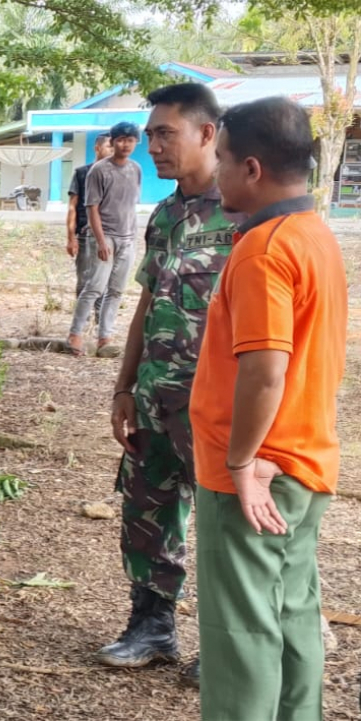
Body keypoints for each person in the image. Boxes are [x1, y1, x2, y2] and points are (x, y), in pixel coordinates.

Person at [191, 96, 345, 720]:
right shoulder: (315, 236)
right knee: (292, 612)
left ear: (252, 168)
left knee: (242, 632)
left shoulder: (264, 250)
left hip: (257, 476)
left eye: (222, 159)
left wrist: (242, 461)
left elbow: (264, 369)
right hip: (304, 464)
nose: (218, 172)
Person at [96, 84, 235, 677]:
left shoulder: (248, 211)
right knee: (147, 515)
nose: (152, 146)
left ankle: (231, 647)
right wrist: (124, 387)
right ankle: (152, 627)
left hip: (218, 407)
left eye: (164, 134)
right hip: (156, 400)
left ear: (207, 134)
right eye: (149, 135)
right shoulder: (167, 212)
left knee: (227, 531)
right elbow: (147, 304)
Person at [68, 121, 142, 356]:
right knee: (95, 287)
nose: (125, 144)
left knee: (116, 290)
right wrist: (100, 241)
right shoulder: (98, 170)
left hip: (127, 237)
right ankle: (76, 333)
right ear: (112, 141)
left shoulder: (135, 169)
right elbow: (92, 208)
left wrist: (134, 238)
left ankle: (105, 336)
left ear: (136, 143)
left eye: (130, 140)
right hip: (104, 236)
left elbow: (130, 206)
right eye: (120, 140)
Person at [67, 133, 112, 323]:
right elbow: (72, 206)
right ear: (97, 148)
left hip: (109, 235)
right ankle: (81, 322)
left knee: (105, 280)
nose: (113, 151)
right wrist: (71, 237)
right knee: (85, 278)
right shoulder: (81, 173)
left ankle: (100, 321)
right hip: (86, 235)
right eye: (109, 146)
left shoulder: (118, 174)